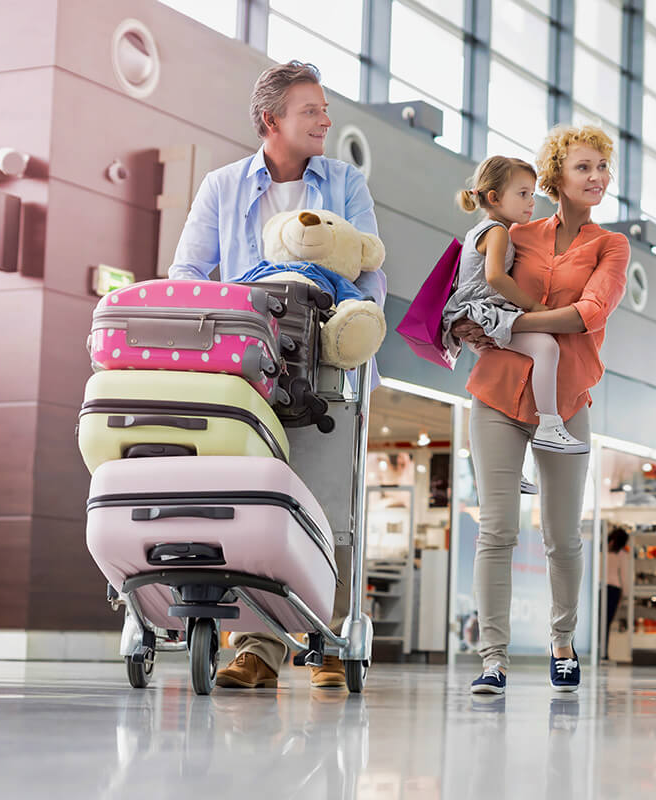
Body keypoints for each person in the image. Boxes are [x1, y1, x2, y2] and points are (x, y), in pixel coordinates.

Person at [168, 60, 388, 691]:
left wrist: (336, 310)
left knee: (329, 500)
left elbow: (369, 271)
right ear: (272, 120)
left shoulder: (344, 182)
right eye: (311, 110)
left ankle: (327, 641)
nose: (326, 119)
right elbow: (188, 273)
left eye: (325, 108)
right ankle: (257, 646)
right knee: (252, 498)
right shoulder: (223, 187)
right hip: (244, 367)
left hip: (327, 361)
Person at [451, 124, 630, 695]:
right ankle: (493, 658)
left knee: (562, 536)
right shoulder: (512, 231)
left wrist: (507, 325)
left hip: (568, 399)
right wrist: (467, 322)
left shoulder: (611, 246)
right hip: (497, 396)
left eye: (603, 168)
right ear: (556, 176)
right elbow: (471, 289)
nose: (598, 178)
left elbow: (589, 313)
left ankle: (562, 641)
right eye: (585, 167)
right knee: (496, 530)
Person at [444, 156, 590, 458]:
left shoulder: (483, 230)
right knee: (546, 348)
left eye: (532, 194)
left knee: (508, 385)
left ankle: (515, 457)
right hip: (482, 311)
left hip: (473, 311)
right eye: (522, 194)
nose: (531, 202)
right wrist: (532, 305)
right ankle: (550, 424)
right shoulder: (496, 232)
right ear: (495, 197)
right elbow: (495, 276)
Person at [603, 528, 631, 659]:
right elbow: (624, 576)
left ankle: (597, 651)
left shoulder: (601, 552)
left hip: (599, 588)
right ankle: (603, 653)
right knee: (606, 622)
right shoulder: (622, 554)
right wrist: (625, 594)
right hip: (613, 590)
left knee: (597, 621)